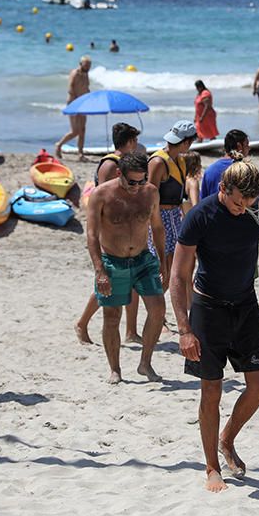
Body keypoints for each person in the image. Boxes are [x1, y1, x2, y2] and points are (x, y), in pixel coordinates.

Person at [170, 158, 259, 492]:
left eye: (247, 204)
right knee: (212, 390)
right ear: (223, 188)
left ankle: (228, 438)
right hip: (208, 308)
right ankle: (211, 467)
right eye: (236, 203)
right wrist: (184, 329)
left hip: (246, 305)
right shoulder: (200, 216)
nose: (241, 210)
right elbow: (179, 274)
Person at [86, 151, 168, 384]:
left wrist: (163, 262)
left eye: (142, 180)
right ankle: (115, 369)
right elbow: (92, 235)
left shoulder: (150, 192)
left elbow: (158, 228)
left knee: (158, 310)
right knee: (112, 316)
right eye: (132, 181)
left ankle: (145, 363)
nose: (137, 186)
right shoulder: (101, 194)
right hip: (113, 261)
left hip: (143, 259)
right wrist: (99, 270)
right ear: (119, 173)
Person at [76, 123, 143, 346]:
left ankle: (131, 331)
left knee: (132, 282)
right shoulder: (109, 164)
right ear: (130, 141)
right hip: (112, 233)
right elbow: (104, 199)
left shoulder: (127, 164)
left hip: (129, 230)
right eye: (135, 140)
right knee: (108, 285)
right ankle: (82, 323)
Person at [149, 121, 198, 291]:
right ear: (186, 142)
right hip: (159, 218)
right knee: (160, 270)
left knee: (172, 270)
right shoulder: (157, 162)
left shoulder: (180, 161)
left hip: (175, 217)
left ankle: (158, 312)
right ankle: (156, 313)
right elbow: (150, 195)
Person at [54, 56, 91, 160]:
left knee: (83, 130)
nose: (88, 67)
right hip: (73, 104)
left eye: (89, 65)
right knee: (75, 131)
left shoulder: (86, 74)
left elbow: (86, 88)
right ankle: (59, 145)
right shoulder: (75, 73)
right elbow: (71, 89)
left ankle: (80, 153)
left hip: (83, 104)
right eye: (86, 65)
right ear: (81, 64)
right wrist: (77, 102)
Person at [200, 129, 250, 200]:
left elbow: (203, 200)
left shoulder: (209, 170)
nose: (249, 148)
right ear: (239, 146)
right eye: (247, 145)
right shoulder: (245, 170)